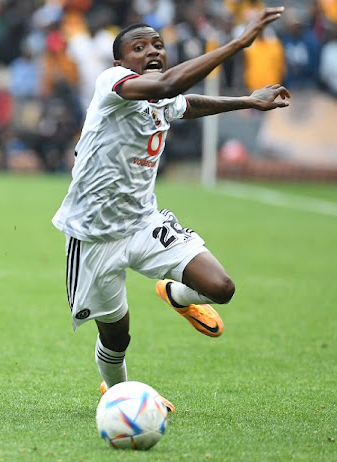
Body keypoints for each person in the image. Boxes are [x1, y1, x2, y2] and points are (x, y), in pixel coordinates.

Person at [51, 8, 291, 410]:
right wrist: (238, 43)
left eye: (158, 45)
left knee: (221, 288)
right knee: (117, 338)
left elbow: (184, 102)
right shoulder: (112, 83)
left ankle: (177, 296)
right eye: (139, 47)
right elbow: (167, 86)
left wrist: (248, 100)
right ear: (120, 62)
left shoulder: (159, 96)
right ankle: (120, 395)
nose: (152, 51)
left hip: (144, 223)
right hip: (92, 236)